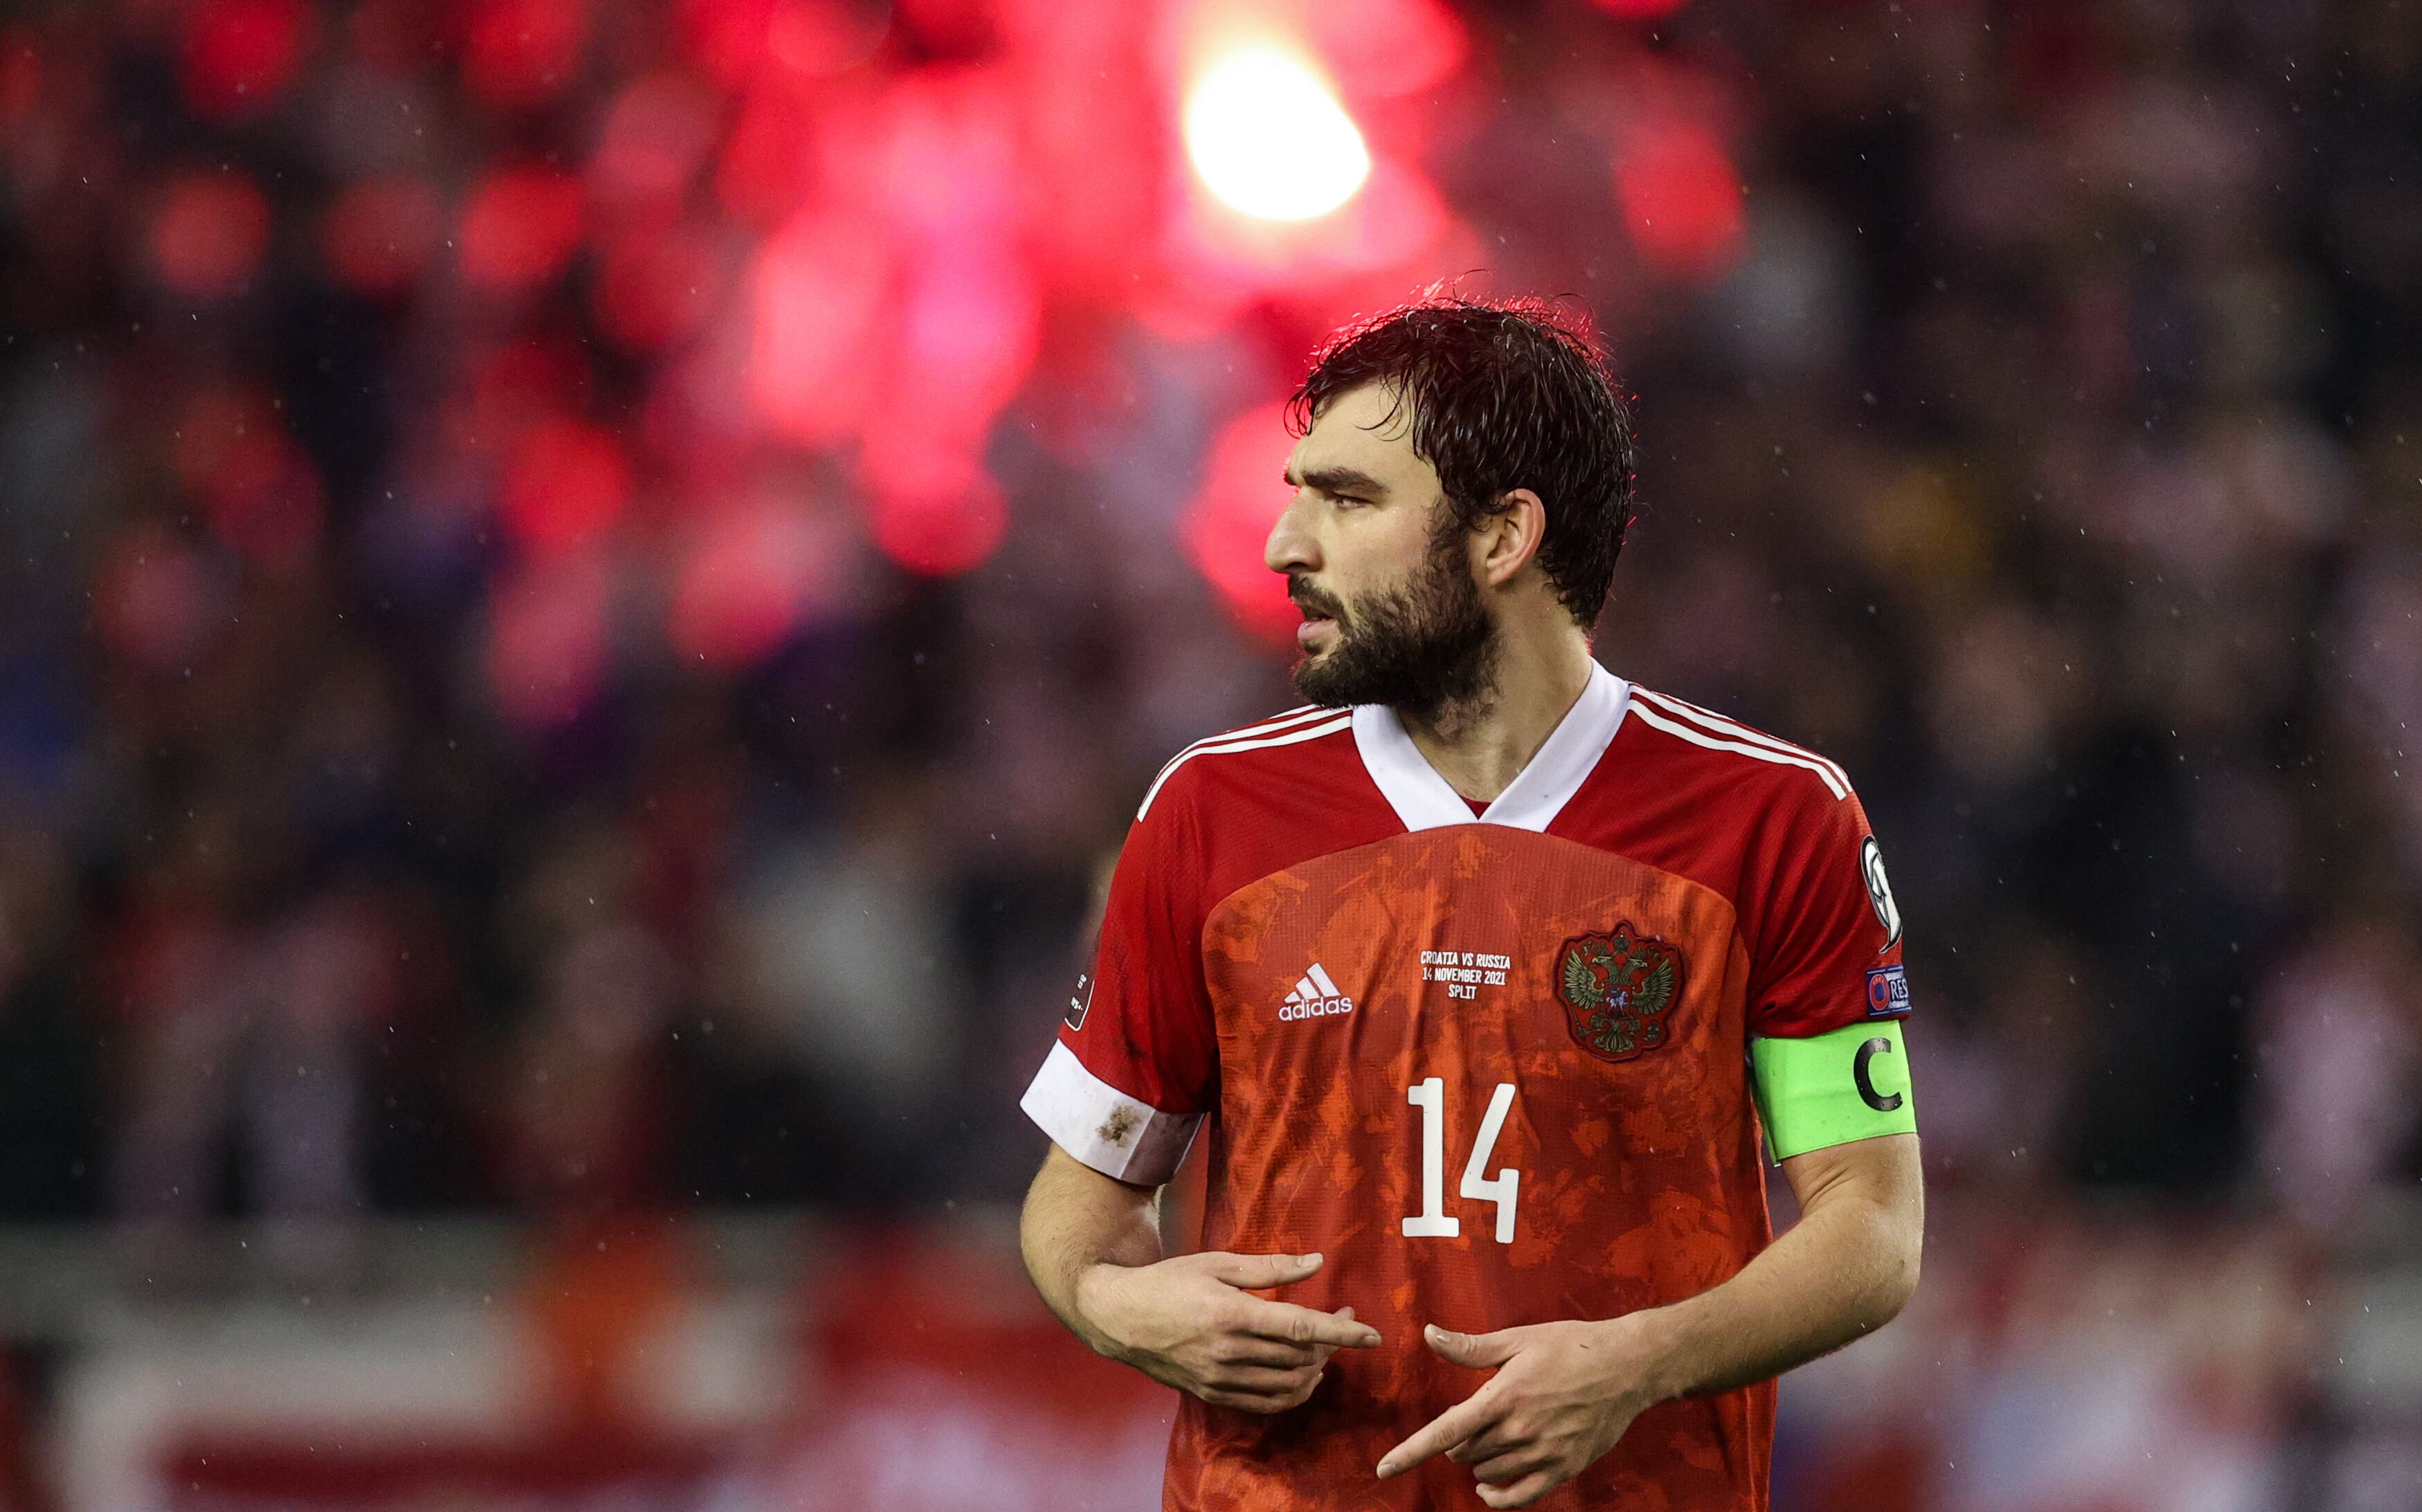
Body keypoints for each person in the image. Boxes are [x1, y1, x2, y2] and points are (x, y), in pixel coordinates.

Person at [1017, 295, 1923, 1511]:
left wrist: (1634, 1364)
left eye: (1345, 500)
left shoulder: (1771, 820)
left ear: (1502, 537)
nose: (1286, 544)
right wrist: (1118, 1304)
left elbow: (1869, 1229)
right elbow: (1077, 1211)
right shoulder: (1210, 813)